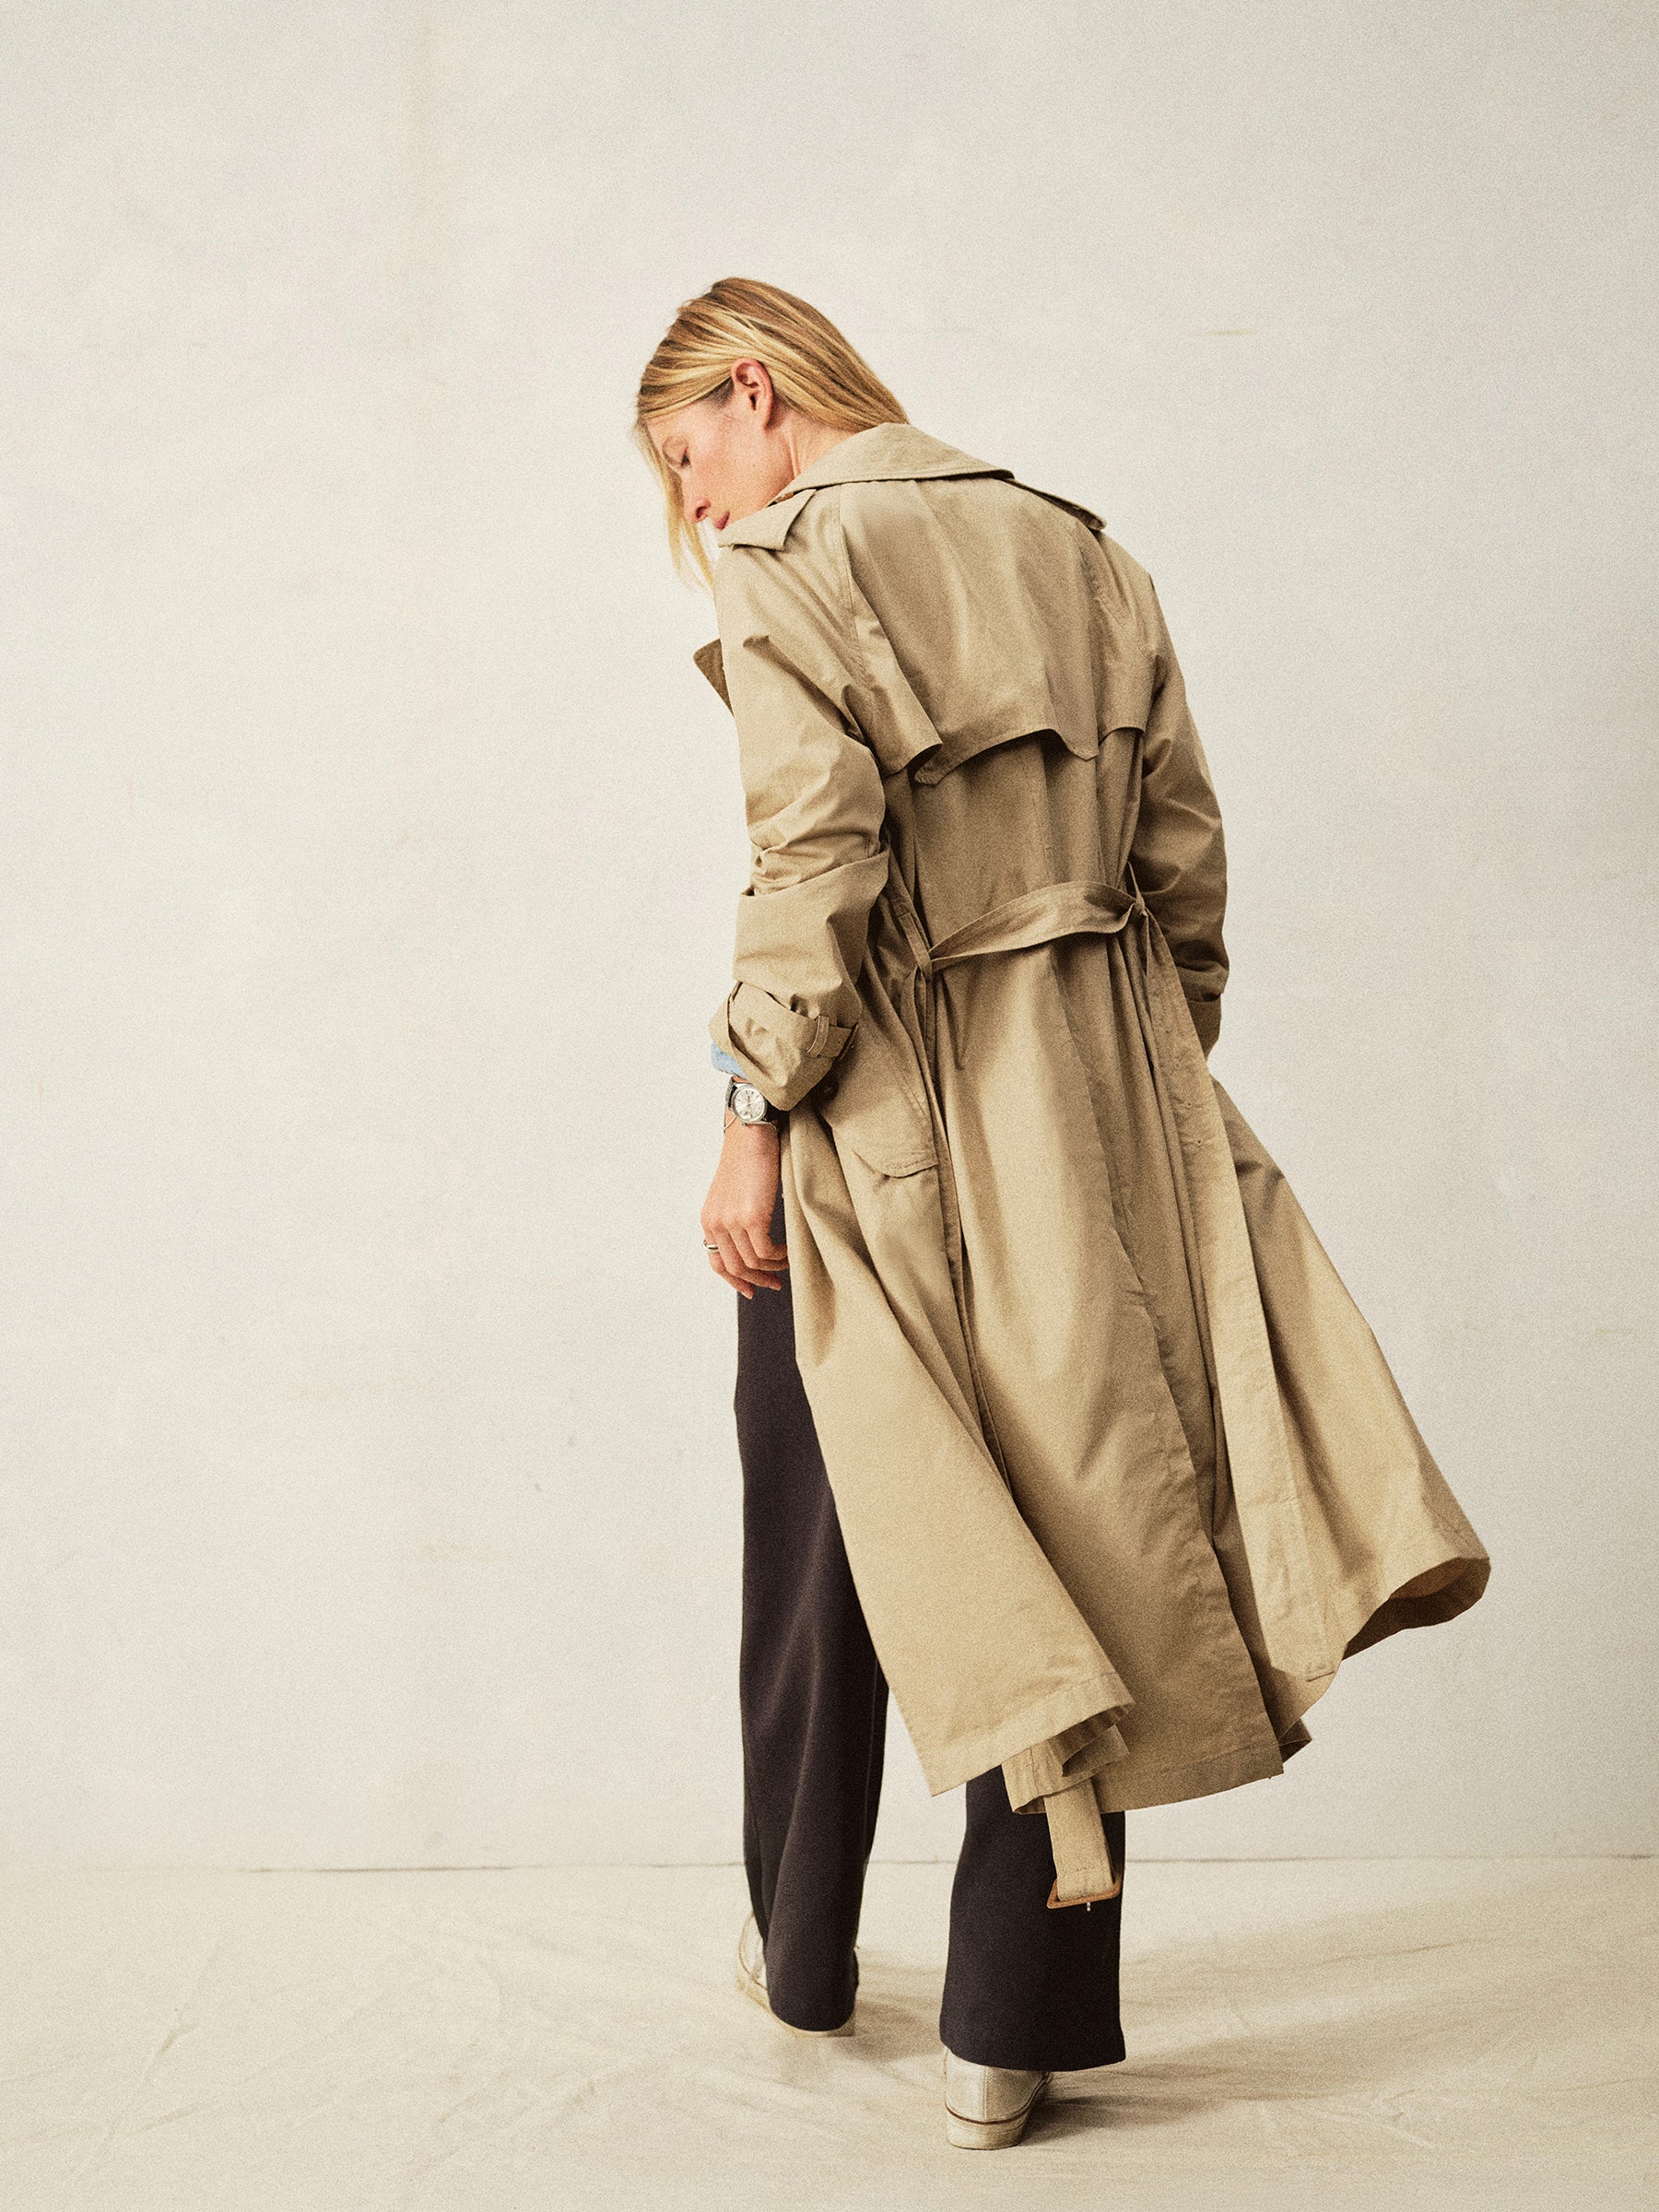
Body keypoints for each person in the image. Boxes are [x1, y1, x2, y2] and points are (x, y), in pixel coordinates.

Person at [632, 277, 1490, 2152]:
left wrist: (751, 1118)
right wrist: (1133, 1080)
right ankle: (1006, 2031)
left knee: (828, 1519)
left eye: (687, 460)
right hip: (1096, 1110)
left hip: (882, 1109)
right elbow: (1186, 856)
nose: (696, 506)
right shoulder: (1080, 549)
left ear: (755, 392)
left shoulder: (791, 561)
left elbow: (813, 861)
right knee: (1086, 1520)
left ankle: (801, 1950)